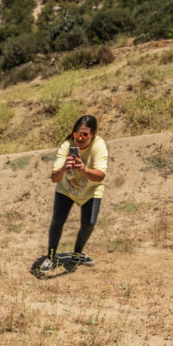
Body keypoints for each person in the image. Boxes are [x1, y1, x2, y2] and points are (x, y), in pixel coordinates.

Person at [41, 114, 107, 270]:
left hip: (91, 189)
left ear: (92, 135)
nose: (80, 137)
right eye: (76, 133)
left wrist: (83, 169)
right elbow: (54, 178)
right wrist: (64, 168)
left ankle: (77, 253)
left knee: (89, 223)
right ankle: (50, 257)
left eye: (85, 134)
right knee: (58, 220)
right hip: (66, 189)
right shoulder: (67, 145)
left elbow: (100, 176)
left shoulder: (99, 145)